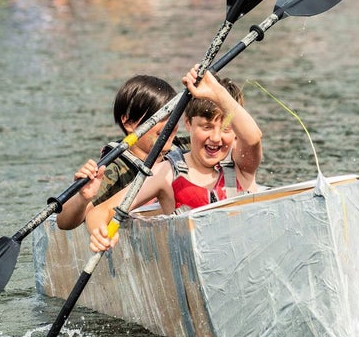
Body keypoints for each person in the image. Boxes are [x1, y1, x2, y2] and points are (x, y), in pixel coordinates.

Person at [86, 66, 263, 253]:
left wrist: (218, 92)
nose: (216, 138)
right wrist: (101, 234)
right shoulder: (166, 172)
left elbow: (253, 137)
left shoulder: (242, 164)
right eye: (206, 127)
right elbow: (100, 212)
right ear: (188, 123)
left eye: (226, 129)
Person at [56, 74, 179, 230]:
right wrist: (82, 198)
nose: (170, 124)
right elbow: (63, 223)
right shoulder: (115, 170)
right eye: (160, 116)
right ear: (129, 123)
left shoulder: (184, 148)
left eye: (173, 116)